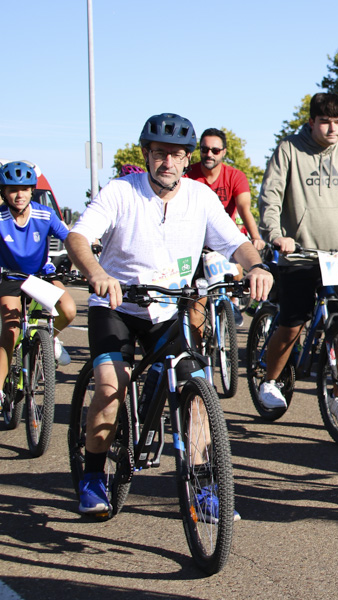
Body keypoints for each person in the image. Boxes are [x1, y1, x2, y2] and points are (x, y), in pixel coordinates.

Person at [65, 113, 274, 517]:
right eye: (160, 153)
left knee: (196, 395)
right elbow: (79, 237)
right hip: (118, 306)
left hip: (169, 309)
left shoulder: (199, 196)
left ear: (186, 159)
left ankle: (202, 488)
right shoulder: (121, 191)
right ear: (146, 153)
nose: (168, 162)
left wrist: (255, 267)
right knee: (111, 387)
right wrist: (97, 273)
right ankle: (93, 477)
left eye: (177, 155)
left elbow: (236, 242)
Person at [256, 93, 338, 423]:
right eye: (326, 122)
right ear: (312, 121)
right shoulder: (289, 149)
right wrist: (276, 234)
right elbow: (270, 198)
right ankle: (270, 381)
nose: (333, 129)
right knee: (291, 325)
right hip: (300, 254)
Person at [0, 161, 77, 395]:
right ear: (3, 192)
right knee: (11, 330)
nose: (19, 194)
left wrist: (89, 246)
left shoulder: (45, 214)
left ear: (32, 190)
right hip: (9, 278)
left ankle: (49, 341)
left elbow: (70, 237)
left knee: (69, 309)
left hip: (39, 275)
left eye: (24, 189)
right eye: (12, 189)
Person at [184, 128, 266, 328]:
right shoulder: (188, 175)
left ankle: (233, 303)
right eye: (204, 150)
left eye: (215, 150)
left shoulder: (235, 176)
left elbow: (244, 208)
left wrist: (255, 237)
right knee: (196, 304)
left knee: (239, 255)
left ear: (224, 152)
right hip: (195, 241)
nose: (209, 154)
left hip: (222, 238)